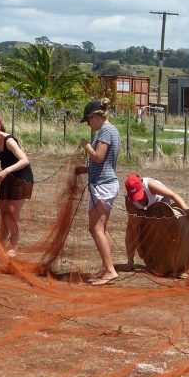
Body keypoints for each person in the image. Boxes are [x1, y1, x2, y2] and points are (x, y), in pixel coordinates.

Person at [77, 97, 120, 286]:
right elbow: (105, 162)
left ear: (96, 116)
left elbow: (99, 158)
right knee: (101, 229)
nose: (88, 124)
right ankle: (106, 267)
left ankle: (110, 270)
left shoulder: (106, 131)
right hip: (105, 182)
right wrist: (85, 170)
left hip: (103, 185)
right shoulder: (109, 130)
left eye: (88, 120)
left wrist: (86, 145)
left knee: (95, 228)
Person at [0, 114, 33, 254]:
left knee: (12, 214)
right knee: (4, 213)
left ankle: (13, 246)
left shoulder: (8, 141)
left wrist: (6, 171)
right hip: (6, 178)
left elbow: (25, 160)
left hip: (21, 178)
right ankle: (1, 244)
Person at [122, 173, 189, 271]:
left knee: (163, 229)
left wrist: (185, 208)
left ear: (142, 186)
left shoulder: (150, 185)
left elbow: (173, 195)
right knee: (129, 230)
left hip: (161, 202)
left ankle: (168, 261)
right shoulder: (129, 201)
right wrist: (139, 247)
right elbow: (134, 227)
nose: (139, 198)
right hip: (142, 210)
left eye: (139, 194)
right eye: (135, 196)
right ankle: (130, 262)